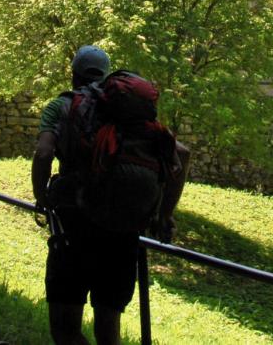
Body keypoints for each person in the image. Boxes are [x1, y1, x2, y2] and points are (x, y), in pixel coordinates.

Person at [32, 46, 190, 345]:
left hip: (74, 228)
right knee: (108, 330)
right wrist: (164, 214)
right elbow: (181, 154)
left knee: (65, 329)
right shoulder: (128, 111)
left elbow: (43, 153)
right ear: (107, 75)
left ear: (74, 73)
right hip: (123, 232)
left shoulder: (62, 105)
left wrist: (42, 199)